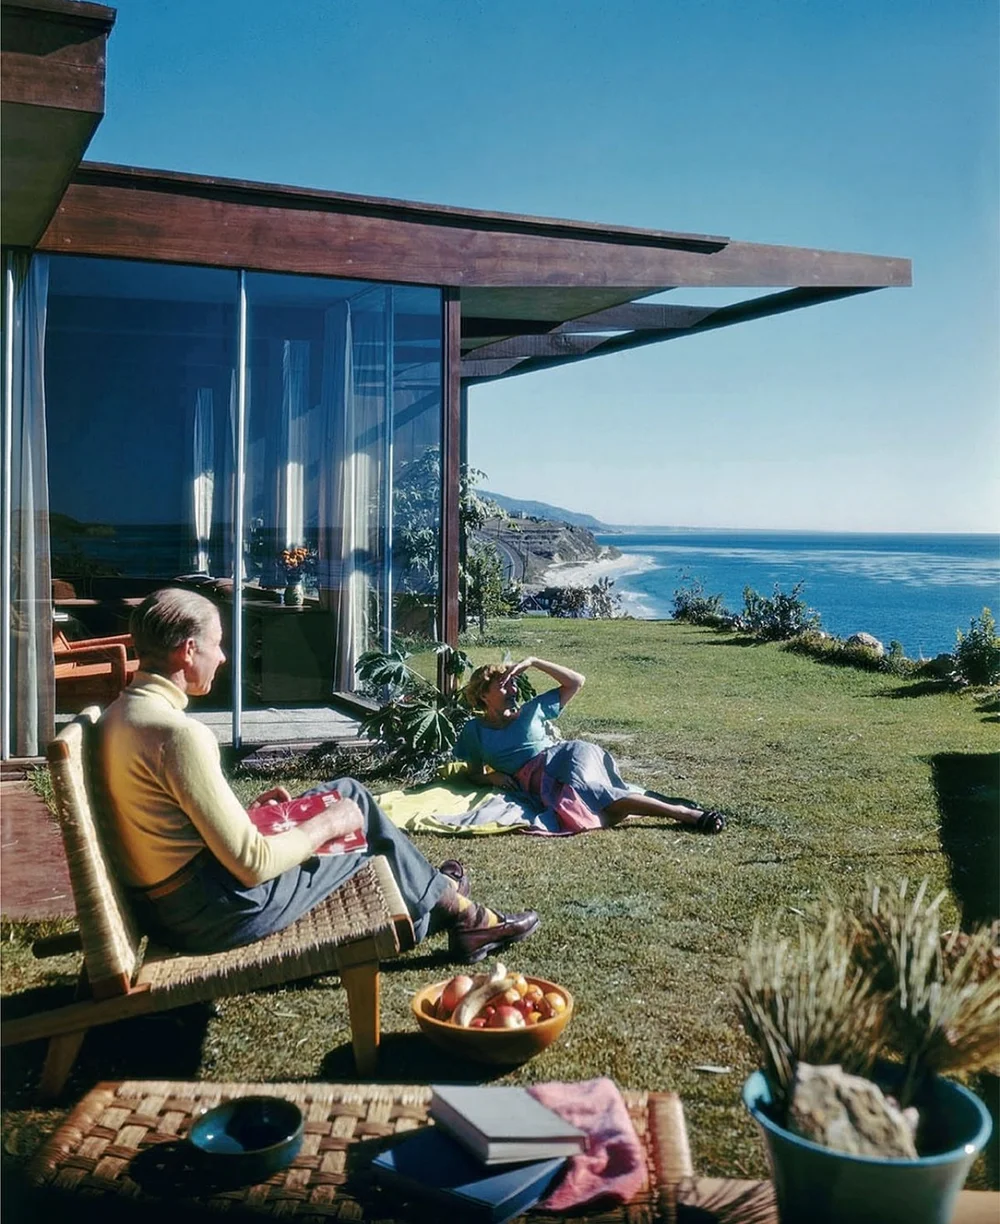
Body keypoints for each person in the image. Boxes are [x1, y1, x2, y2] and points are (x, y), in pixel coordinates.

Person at [97, 588, 539, 963]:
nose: (224, 656)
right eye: (217, 644)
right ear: (188, 650)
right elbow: (254, 866)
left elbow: (167, 823)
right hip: (218, 912)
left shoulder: (122, 714)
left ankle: (441, 897)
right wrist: (328, 824)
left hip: (173, 903)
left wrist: (245, 816)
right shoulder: (178, 735)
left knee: (349, 792)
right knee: (361, 838)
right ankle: (461, 913)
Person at [453, 657, 727, 835]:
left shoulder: (532, 710)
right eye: (504, 686)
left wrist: (535, 662)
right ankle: (667, 809)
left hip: (566, 756)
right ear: (482, 695)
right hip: (537, 781)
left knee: (587, 792)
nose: (513, 690)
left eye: (513, 684)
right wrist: (493, 777)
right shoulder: (474, 731)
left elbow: (576, 682)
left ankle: (687, 815)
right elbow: (472, 773)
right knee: (597, 807)